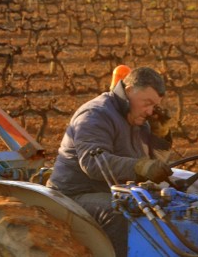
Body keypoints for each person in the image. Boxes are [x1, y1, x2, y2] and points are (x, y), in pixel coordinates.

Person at [47, 66, 175, 257]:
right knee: (120, 213)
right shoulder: (95, 114)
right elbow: (93, 162)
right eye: (147, 103)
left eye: (154, 105)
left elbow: (154, 163)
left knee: (173, 200)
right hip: (74, 194)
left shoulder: (138, 120)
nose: (150, 111)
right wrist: (140, 166)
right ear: (130, 90)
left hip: (114, 190)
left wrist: (160, 136)